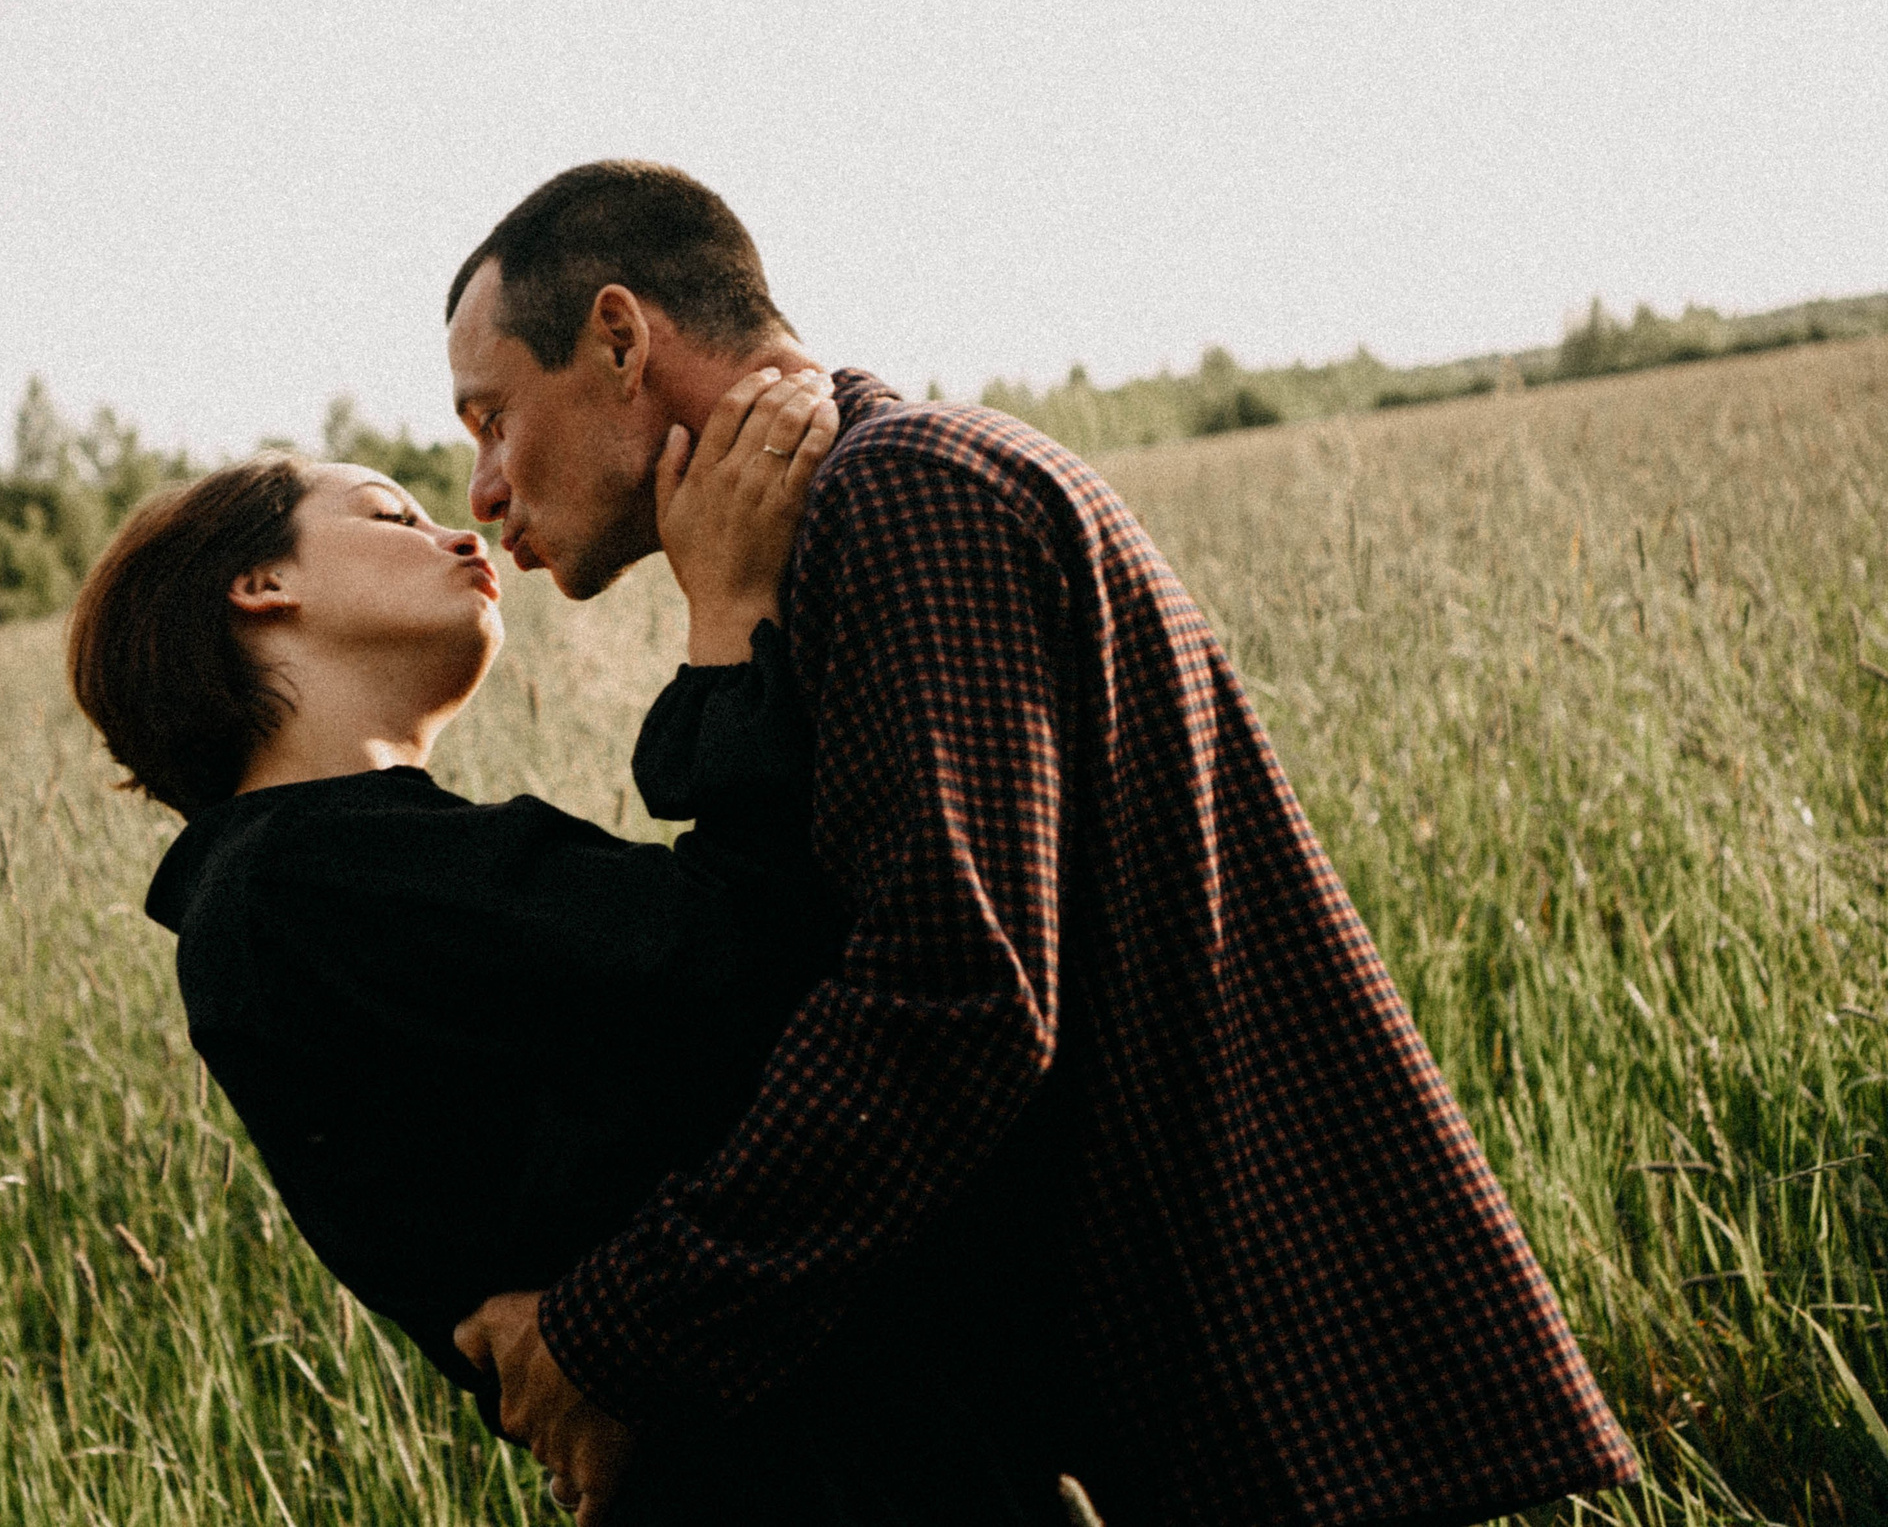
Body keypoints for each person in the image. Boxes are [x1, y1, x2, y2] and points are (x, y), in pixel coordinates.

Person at [444, 161, 1643, 1526]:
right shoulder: (873, 505)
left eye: (491, 417)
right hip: (1192, 1385)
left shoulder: (906, 497)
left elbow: (957, 991)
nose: (481, 489)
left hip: (1242, 1396)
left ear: (617, 336)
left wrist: (615, 1327)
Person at [74, 374, 1050, 1520]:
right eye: (390, 513)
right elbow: (761, 962)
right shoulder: (307, 879)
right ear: (261, 584)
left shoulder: (298, 882)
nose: (459, 526)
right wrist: (731, 617)